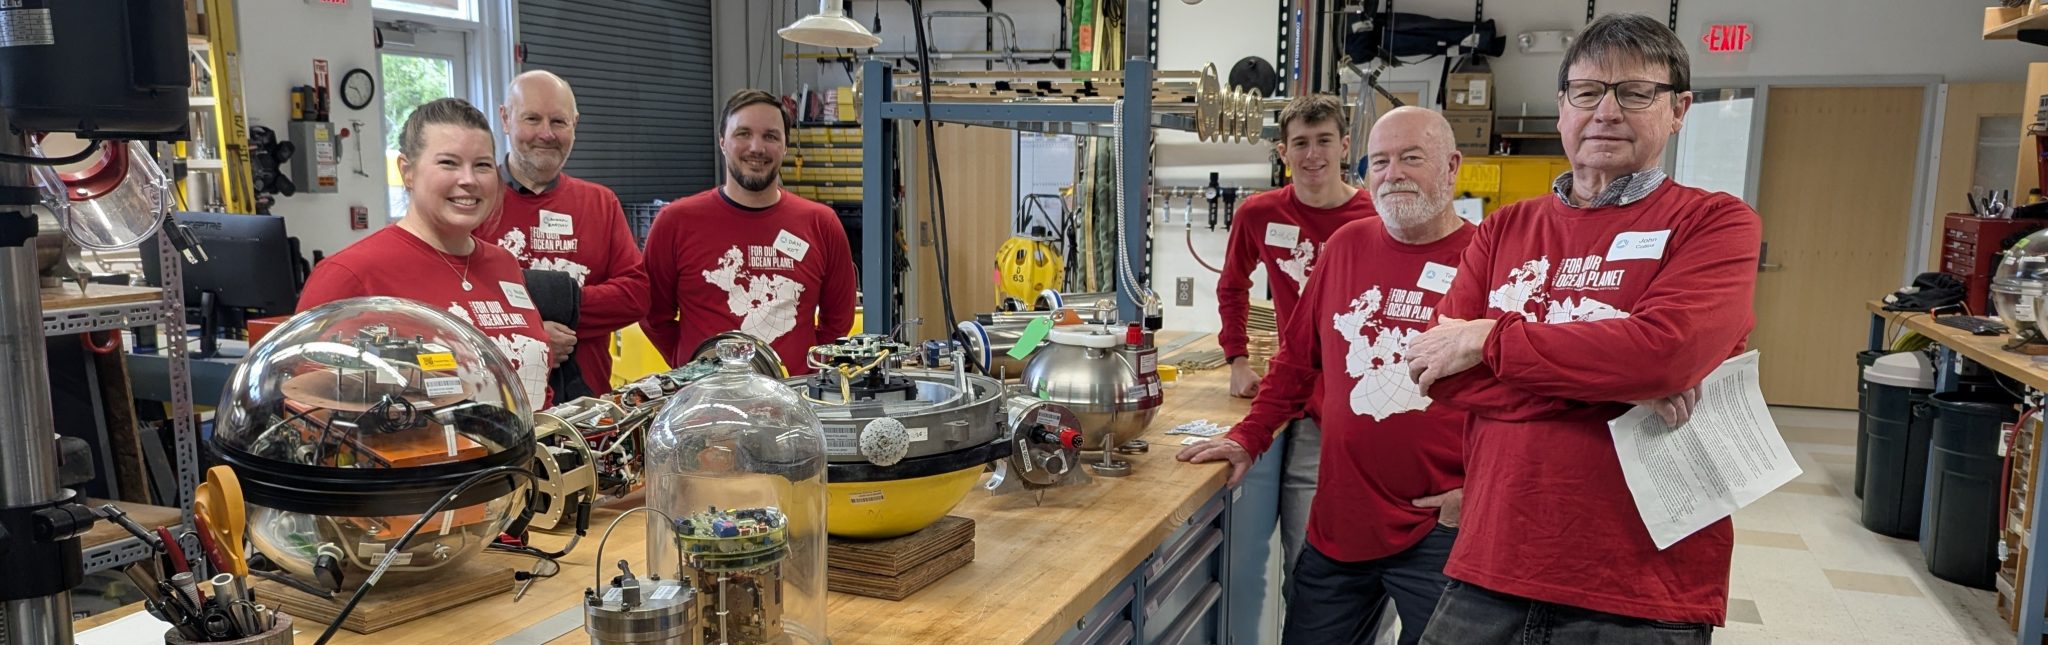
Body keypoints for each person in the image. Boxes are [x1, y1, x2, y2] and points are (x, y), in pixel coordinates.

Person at [1405, 13, 1762, 643]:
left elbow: (1663, 355)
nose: (1607, 112)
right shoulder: (1503, 229)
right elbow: (1440, 375)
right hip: (1492, 559)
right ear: (1562, 107)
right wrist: (1623, 386)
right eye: (1588, 91)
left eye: (1636, 93)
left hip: (1642, 585)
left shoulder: (1715, 223)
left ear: (1678, 110)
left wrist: (1487, 340)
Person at [1179, 107, 1472, 645]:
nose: (1393, 174)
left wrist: (1478, 494)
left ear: (1451, 166)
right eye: (1380, 162)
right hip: (1344, 519)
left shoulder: (1487, 259)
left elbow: (1524, 399)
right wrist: (1248, 438)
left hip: (1442, 525)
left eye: (1411, 158)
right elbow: (1295, 363)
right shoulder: (1346, 247)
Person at [1212, 93, 1379, 582]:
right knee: (1305, 557)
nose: (1313, 155)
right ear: (1283, 152)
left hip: (1366, 397)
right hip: (1301, 398)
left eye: (1324, 141)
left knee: (1374, 550)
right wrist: (1237, 358)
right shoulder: (1259, 214)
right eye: (1300, 143)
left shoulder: (1375, 216)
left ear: (1344, 146)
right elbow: (1232, 284)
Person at [299, 97, 552, 406]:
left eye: (483, 165)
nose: (469, 180)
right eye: (449, 163)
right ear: (407, 171)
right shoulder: (350, 273)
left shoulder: (504, 264)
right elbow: (302, 400)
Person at [641, 89, 856, 375]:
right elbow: (653, 316)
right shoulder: (675, 222)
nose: (757, 147)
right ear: (722, 141)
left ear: (785, 146)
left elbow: (838, 320)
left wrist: (803, 372)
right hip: (706, 397)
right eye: (743, 133)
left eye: (771, 136)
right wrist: (692, 366)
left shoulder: (821, 224)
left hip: (793, 397)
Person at [476, 71, 649, 399]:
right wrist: (530, 334)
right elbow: (453, 303)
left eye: (558, 121)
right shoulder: (472, 201)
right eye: (532, 118)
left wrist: (556, 306)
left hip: (586, 405)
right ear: (505, 118)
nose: (546, 133)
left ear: (575, 124)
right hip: (497, 403)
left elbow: (635, 295)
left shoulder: (600, 202)